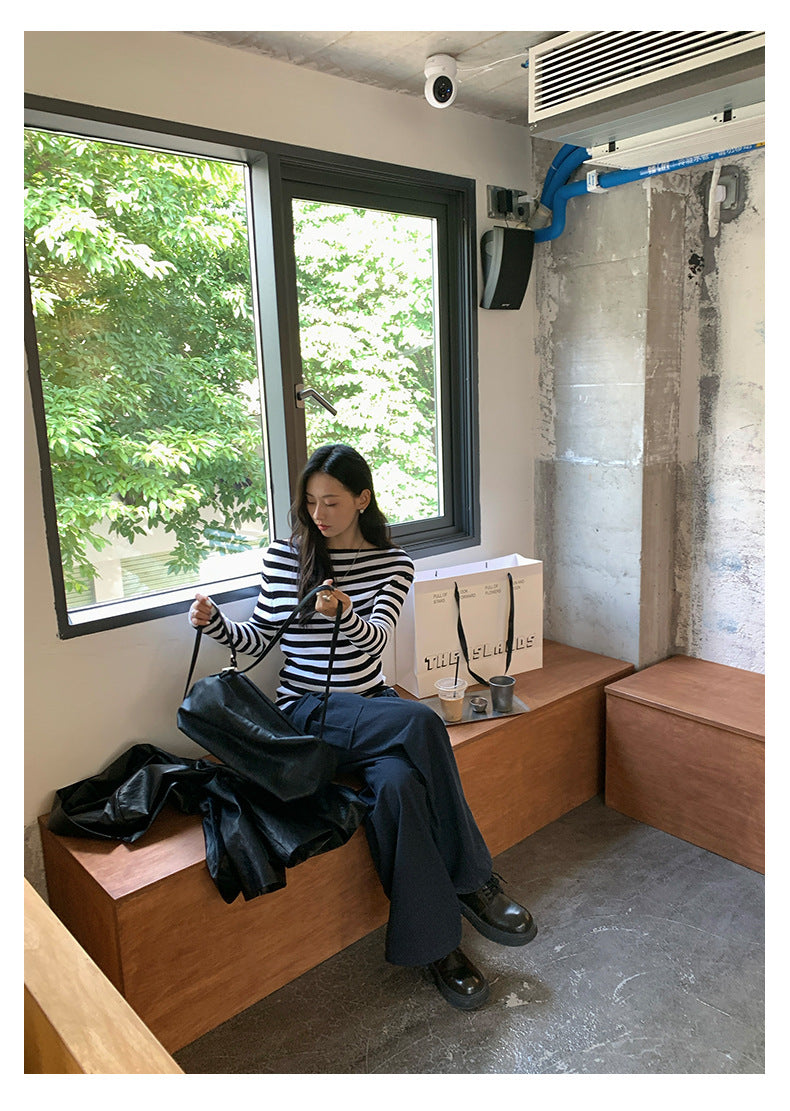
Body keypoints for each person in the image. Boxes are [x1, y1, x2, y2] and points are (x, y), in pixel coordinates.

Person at [189, 444, 537, 1009]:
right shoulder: (285, 558)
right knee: (422, 721)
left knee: (398, 787)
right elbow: (258, 640)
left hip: (372, 708)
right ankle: (473, 880)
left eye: (331, 502)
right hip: (308, 711)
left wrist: (346, 614)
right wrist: (215, 625)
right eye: (310, 503)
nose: (318, 515)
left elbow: (374, 643)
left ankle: (437, 945)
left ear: (362, 500)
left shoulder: (393, 564)